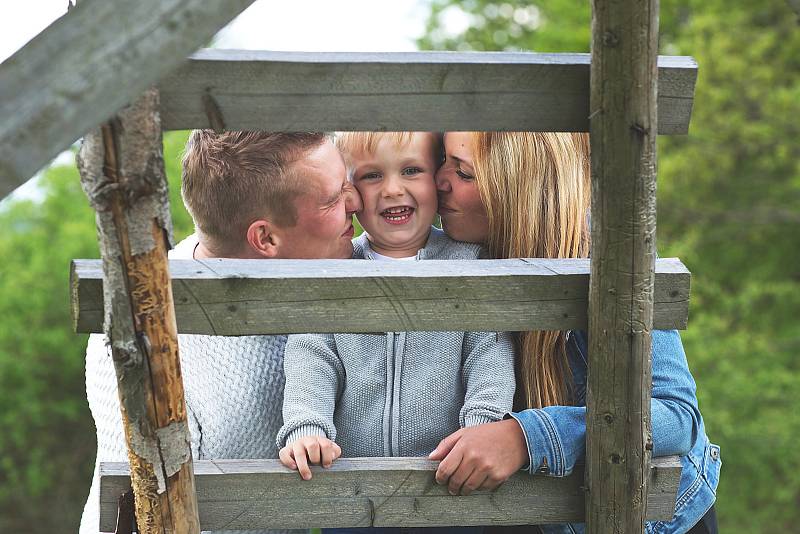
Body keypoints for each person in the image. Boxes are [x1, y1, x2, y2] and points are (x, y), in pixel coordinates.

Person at [430, 132, 720, 534]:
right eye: (440, 159)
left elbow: (676, 415)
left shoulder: (607, 256)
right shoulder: (450, 253)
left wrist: (523, 437)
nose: (438, 180)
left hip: (658, 518)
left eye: (463, 172)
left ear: (519, 188)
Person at [80, 131, 362, 534]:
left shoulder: (343, 263)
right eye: (333, 199)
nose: (356, 202)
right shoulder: (141, 325)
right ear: (265, 238)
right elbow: (145, 506)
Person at [276, 132, 516, 504]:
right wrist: (307, 427)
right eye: (372, 176)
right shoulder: (338, 268)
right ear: (350, 191)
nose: (391, 189)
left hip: (449, 480)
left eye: (411, 170)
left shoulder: (468, 262)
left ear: (436, 178)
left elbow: (490, 352)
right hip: (352, 484)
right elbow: (312, 355)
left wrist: (483, 424)